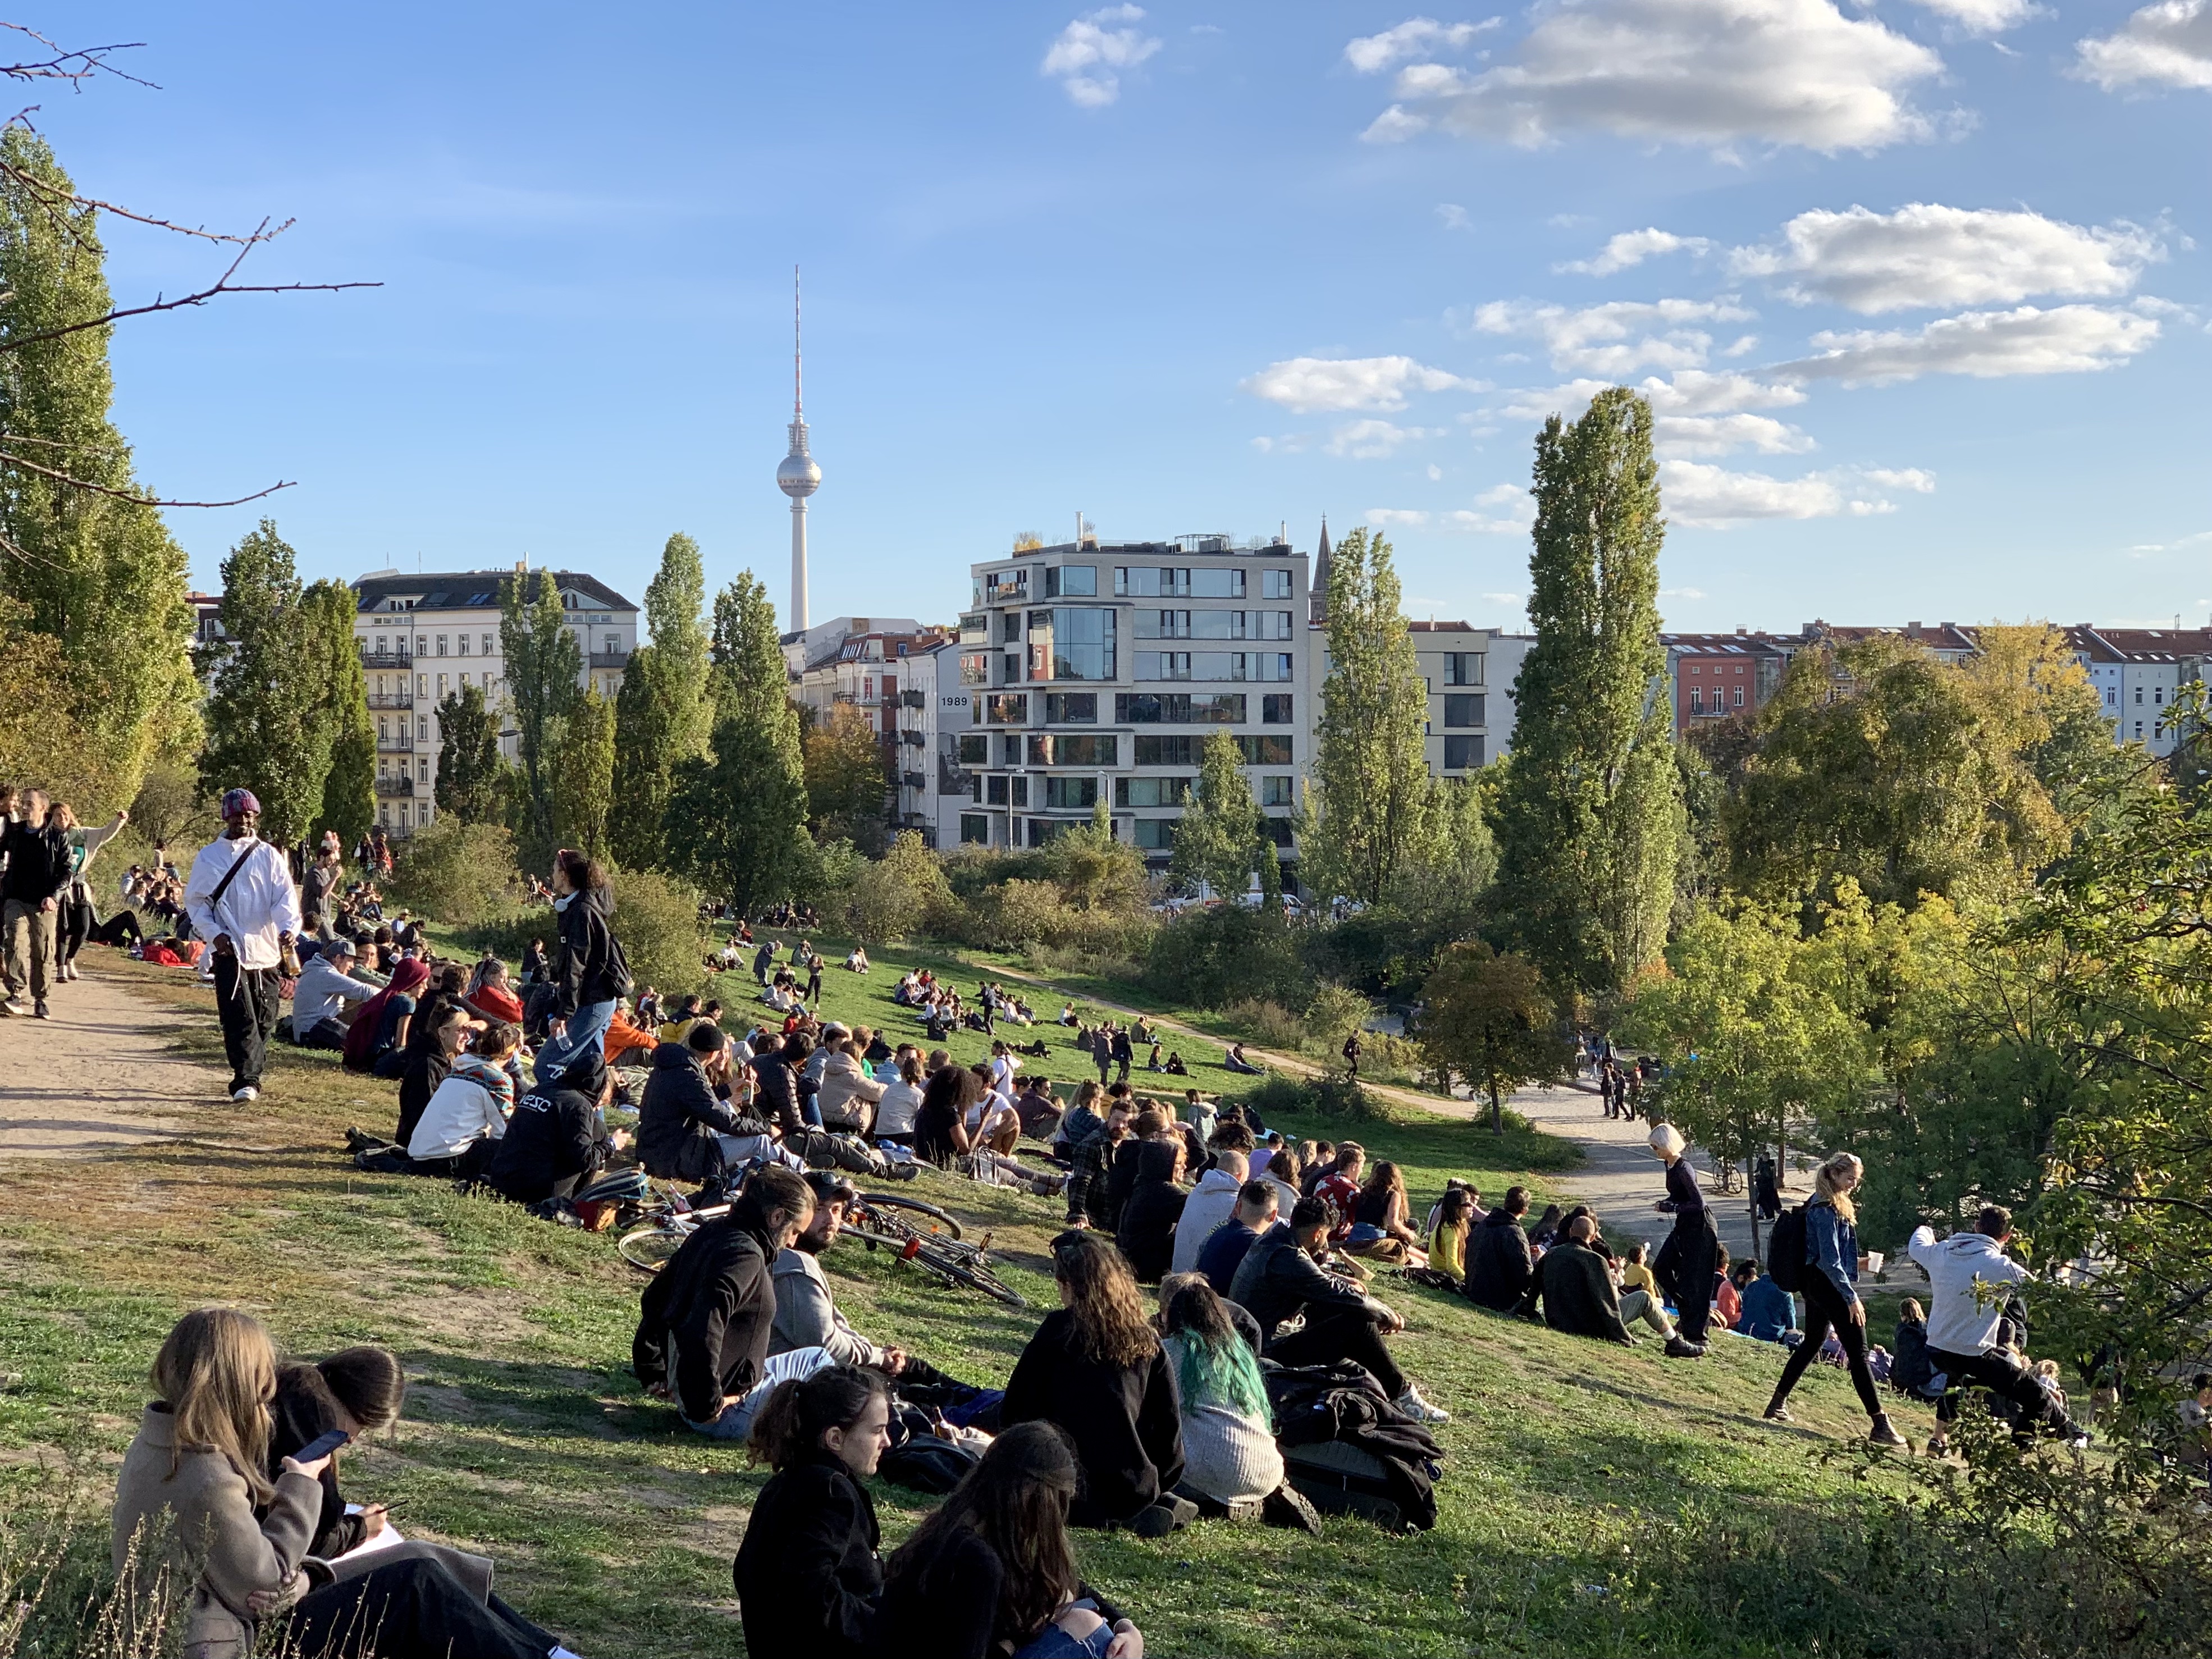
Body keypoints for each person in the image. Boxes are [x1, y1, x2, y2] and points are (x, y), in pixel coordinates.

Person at [112, 1309, 575, 1659]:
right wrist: (300, 1485)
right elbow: (266, 1593)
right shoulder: (204, 1474)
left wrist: (303, 1570)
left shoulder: (163, 1441)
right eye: (260, 1380)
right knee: (415, 1585)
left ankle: (548, 1651)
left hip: (219, 1620)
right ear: (236, 1384)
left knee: (423, 1562)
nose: (267, 1392)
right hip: (232, 1642)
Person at [874, 1422, 1146, 1659]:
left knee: (1082, 1618)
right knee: (1087, 1628)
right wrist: (1017, 1638)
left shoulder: (960, 1529)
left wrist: (1126, 1626)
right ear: (1039, 1503)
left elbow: (1066, 1586)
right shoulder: (977, 1564)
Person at [1002, 1232, 1191, 1537]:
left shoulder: (1058, 1332)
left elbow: (1013, 1412)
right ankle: (1132, 1511)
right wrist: (1156, 1482)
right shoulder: (1146, 1341)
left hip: (1059, 1486)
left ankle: (1112, 1511)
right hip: (1132, 1485)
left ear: (1069, 1286)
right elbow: (1168, 1431)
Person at [634, 1165, 817, 1439]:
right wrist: (706, 1406)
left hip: (700, 1395)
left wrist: (654, 1370)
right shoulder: (746, 1256)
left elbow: (657, 1297)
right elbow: (704, 1326)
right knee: (822, 1363)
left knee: (815, 1357)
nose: (793, 1242)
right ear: (777, 1217)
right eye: (795, 1232)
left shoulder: (713, 1231)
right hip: (725, 1411)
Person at [1231, 1196, 1450, 1424]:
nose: (1325, 1244)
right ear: (1318, 1234)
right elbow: (1339, 1294)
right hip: (1267, 1352)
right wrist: (1388, 1314)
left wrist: (1346, 1285)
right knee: (1358, 1324)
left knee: (1342, 1313)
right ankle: (1403, 1396)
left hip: (1254, 1340)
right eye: (1326, 1236)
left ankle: (1383, 1389)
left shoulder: (1272, 1242)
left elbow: (1318, 1281)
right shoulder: (1288, 1257)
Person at [770, 1172, 982, 1400]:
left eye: (837, 1210)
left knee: (912, 1369)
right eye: (820, 1209)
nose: (831, 1220)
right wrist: (878, 1358)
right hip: (793, 1387)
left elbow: (837, 1324)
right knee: (904, 1396)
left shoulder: (803, 1261)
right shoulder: (794, 1266)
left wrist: (879, 1354)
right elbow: (826, 1343)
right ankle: (983, 1408)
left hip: (820, 1372)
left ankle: (981, 1399)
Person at [731, 1365, 890, 1659]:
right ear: (835, 1439)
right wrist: (883, 1628)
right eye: (877, 1431)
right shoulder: (830, 1494)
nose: (886, 1442)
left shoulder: (785, 1483)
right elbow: (809, 1591)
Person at [1909, 1204, 2089, 1452]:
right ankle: (2019, 1455)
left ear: (1976, 1226)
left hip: (1937, 1348)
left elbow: (1916, 1244)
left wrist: (1927, 1229)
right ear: (2008, 1237)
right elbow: (2045, 1293)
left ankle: (1939, 1439)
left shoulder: (1941, 1252)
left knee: (1956, 1379)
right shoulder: (2001, 1267)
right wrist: (2064, 1273)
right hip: (1973, 1354)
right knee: (2036, 1397)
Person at [1763, 1153, 1907, 1446]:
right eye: (1850, 1178)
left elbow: (1834, 1256)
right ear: (1835, 1175)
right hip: (1825, 1285)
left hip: (1815, 1283)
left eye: (1857, 1179)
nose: (1854, 1184)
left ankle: (1777, 1403)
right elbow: (1829, 1261)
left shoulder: (1827, 1202)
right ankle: (1880, 1423)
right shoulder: (1825, 1209)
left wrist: (1863, 1263)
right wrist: (1851, 1297)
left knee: (1813, 1342)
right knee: (1859, 1351)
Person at [181, 790, 304, 1100]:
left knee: (266, 1018)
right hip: (230, 949)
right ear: (227, 817)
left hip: (266, 951)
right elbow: (196, 903)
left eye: (249, 815)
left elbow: (285, 900)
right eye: (238, 815)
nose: (244, 821)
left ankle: (253, 1071)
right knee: (240, 1017)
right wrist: (213, 934)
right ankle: (246, 1080)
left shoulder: (268, 855)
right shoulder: (209, 857)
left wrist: (289, 929)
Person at [1158, 1277, 1285, 1511]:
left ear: (1172, 1316)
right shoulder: (1241, 1358)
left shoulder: (1171, 1352)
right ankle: (1250, 1502)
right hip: (1268, 1469)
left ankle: (1194, 1503)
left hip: (1210, 1470)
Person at [268, 1345, 406, 1558]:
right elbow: (312, 1539)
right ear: (356, 1409)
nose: (352, 1440)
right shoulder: (311, 1435)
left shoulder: (287, 1384)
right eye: (361, 1426)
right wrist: (361, 1530)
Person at [536, 850, 624, 1084]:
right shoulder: (580, 908)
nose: (552, 875)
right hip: (599, 1000)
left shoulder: (581, 912)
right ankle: (593, 1121)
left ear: (564, 876)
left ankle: (554, 1115)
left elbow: (576, 966)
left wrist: (563, 1014)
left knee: (546, 1066)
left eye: (555, 870)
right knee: (590, 1075)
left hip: (592, 1001)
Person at [638, 1022, 760, 1186]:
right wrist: (763, 1126)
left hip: (653, 1149)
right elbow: (721, 1120)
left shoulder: (671, 1064)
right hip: (673, 1160)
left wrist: (727, 1090)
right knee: (759, 1141)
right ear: (713, 1054)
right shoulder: (690, 1076)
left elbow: (694, 1101)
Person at [488, 1055, 620, 1206]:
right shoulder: (578, 1104)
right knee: (599, 1132)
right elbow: (584, 1160)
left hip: (501, 1178)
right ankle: (578, 1202)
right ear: (599, 1084)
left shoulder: (540, 1089)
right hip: (534, 1191)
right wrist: (611, 1145)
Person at [1513, 1215, 1640, 1345]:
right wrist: (1622, 1336)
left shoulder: (1551, 1254)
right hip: (1585, 1326)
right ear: (1592, 1238)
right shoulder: (1595, 1260)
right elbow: (1605, 1305)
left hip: (1556, 1320)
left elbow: (1533, 1290)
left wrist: (1522, 1310)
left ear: (1571, 1231)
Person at [1, 788, 70, 1018]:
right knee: (15, 941)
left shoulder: (58, 837)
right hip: (15, 898)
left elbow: (66, 871)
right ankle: (15, 993)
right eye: (23, 803)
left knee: (43, 950)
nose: (24, 807)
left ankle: (41, 998)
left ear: (43, 808)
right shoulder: (16, 831)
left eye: (30, 803)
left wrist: (54, 896)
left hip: (44, 902)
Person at [1648, 1123, 1717, 1356]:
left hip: (1700, 1227)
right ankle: (1686, 1309)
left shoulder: (1683, 1168)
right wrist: (1666, 1203)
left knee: (1696, 1282)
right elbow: (1680, 1196)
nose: (1654, 1150)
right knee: (1661, 1268)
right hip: (1685, 1226)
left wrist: (1670, 1206)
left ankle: (1697, 1334)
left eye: (1656, 1146)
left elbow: (1698, 1203)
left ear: (1666, 1144)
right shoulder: (1669, 1166)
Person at [1168, 1131, 1250, 1278]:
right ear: (1239, 1177)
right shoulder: (1235, 1203)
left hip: (1177, 1270)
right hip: (1201, 1278)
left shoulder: (1197, 1192)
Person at [1114, 1139, 1189, 1285]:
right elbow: (1198, 1206)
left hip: (1130, 1260)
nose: (1185, 1167)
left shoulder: (1143, 1183)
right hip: (1146, 1268)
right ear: (1164, 1166)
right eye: (1179, 1164)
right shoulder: (1163, 1191)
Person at [344, 957, 431, 1076]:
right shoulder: (406, 1003)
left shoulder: (386, 995)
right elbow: (401, 1044)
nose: (426, 988)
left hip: (365, 1056)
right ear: (413, 981)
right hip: (379, 1059)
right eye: (423, 983)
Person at [290, 937, 381, 1049]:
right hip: (314, 1032)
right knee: (365, 1046)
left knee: (365, 1001)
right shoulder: (326, 974)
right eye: (351, 960)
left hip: (311, 1029)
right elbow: (366, 991)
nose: (352, 966)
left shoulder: (319, 969)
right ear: (338, 958)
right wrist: (393, 995)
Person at [1064, 1095, 1135, 1231]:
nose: (1120, 1125)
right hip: (1097, 1216)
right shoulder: (1092, 1145)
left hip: (1118, 1217)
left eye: (1125, 1122)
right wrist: (1079, 1215)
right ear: (1109, 1117)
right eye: (1117, 1120)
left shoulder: (1129, 1146)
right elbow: (1080, 1182)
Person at [1194, 1180, 1278, 1295]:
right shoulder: (1262, 1250)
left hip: (1198, 1301)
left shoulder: (1217, 1234)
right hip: (1229, 1311)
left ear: (1238, 1206)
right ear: (1274, 1215)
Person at [1465, 1186, 1536, 1309]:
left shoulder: (1483, 1225)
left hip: (1474, 1291)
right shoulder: (1515, 1233)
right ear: (1525, 1211)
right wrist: (1538, 1263)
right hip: (1498, 1299)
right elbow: (1524, 1279)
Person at [1346, 1160, 1422, 1264]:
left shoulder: (1365, 1191)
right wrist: (1408, 1234)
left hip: (1355, 1237)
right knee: (1399, 1249)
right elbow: (1393, 1223)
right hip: (1374, 1239)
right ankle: (1424, 1260)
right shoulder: (1393, 1195)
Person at [873, 1049, 926, 1146]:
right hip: (903, 1135)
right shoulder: (919, 1095)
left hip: (881, 1134)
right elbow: (922, 1119)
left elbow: (880, 1108)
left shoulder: (889, 1089)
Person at [1739, 1263, 1799, 1345]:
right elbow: (1791, 1326)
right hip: (1771, 1337)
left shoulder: (1750, 1287)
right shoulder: (1784, 1294)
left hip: (1745, 1331)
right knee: (1800, 1338)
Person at [1429, 1185, 1475, 1279]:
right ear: (1456, 1209)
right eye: (1467, 1204)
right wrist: (1469, 1282)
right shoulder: (1450, 1230)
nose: (1472, 1206)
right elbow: (1452, 1266)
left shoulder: (1456, 1223)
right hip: (1444, 1274)